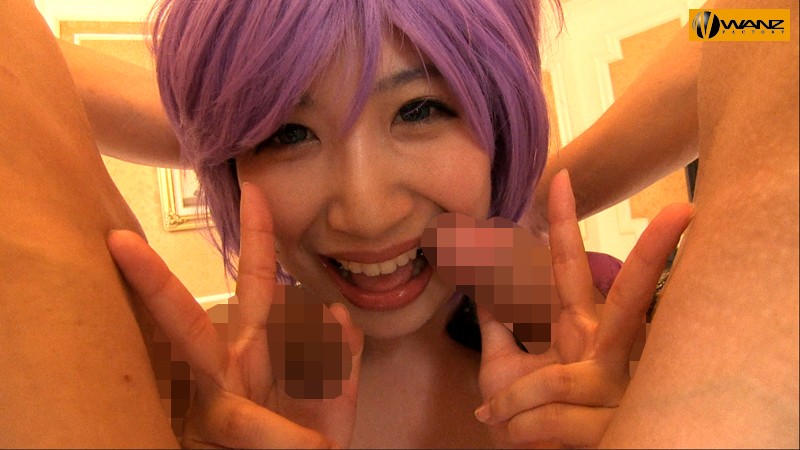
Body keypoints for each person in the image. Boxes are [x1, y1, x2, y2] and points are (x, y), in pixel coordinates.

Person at [0, 0, 687, 448]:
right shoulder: (196, 390)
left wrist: (664, 423)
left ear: (501, 124)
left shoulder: (622, 341)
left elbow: (746, 25)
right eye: (286, 134)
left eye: (419, 110)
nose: (365, 212)